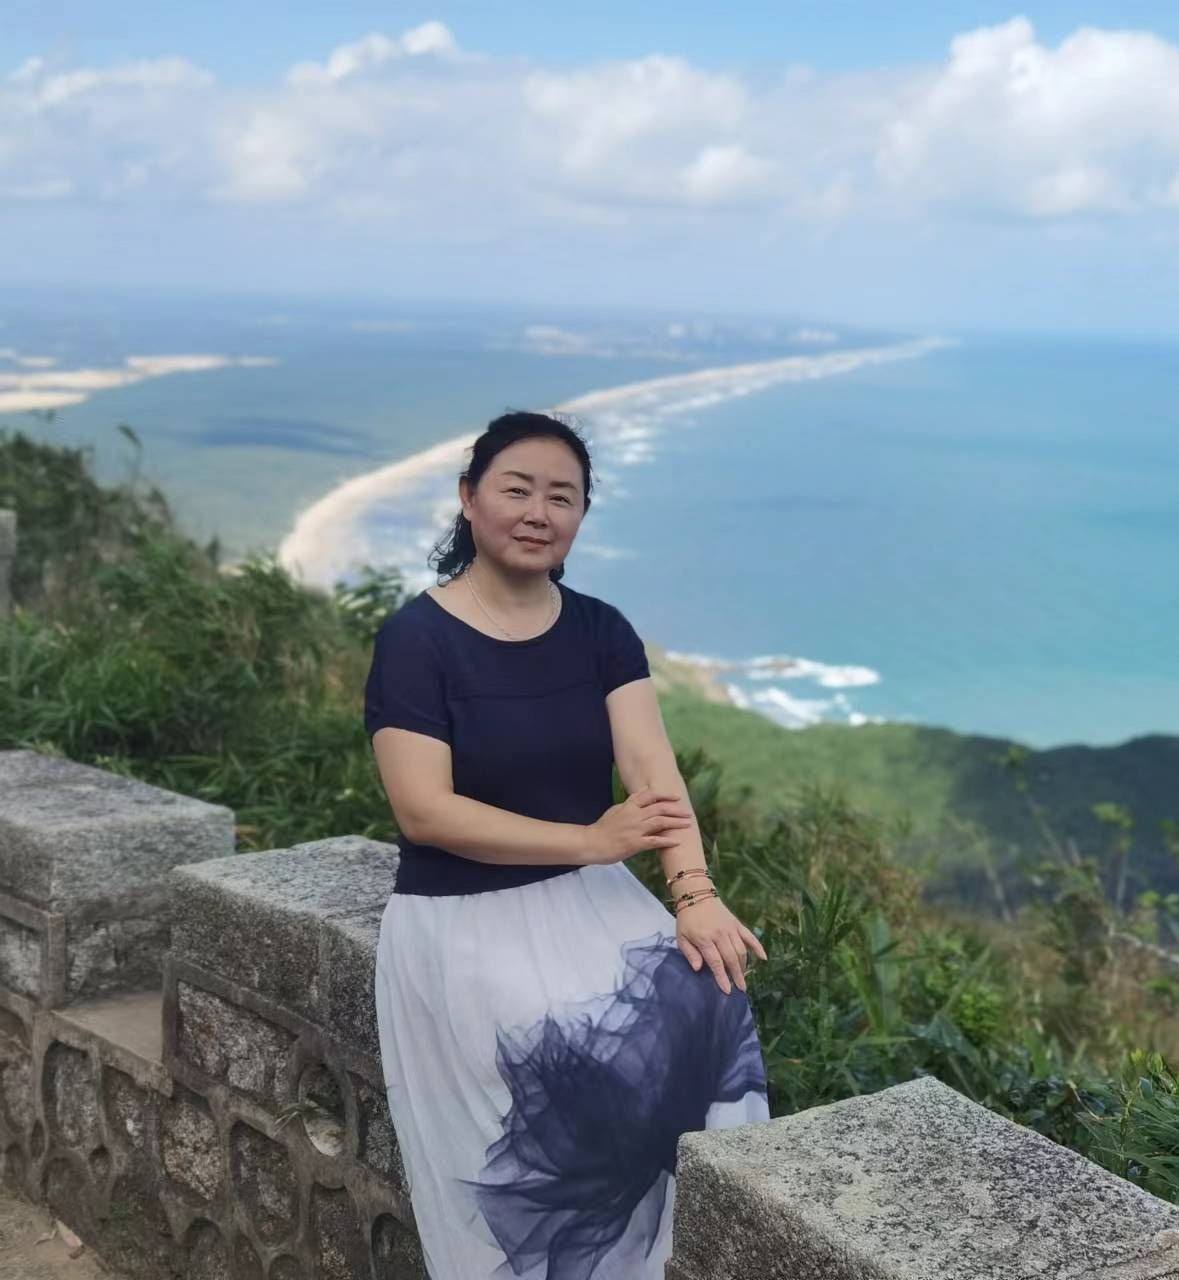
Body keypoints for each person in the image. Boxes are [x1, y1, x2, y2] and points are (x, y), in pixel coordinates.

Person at [365, 410, 770, 1279]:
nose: (538, 512)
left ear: (582, 515)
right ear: (469, 497)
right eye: (517, 490)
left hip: (590, 898)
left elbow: (654, 775)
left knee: (711, 994)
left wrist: (696, 896)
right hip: (461, 913)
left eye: (562, 497)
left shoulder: (599, 630)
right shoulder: (416, 641)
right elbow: (423, 811)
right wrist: (588, 839)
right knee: (557, 1065)